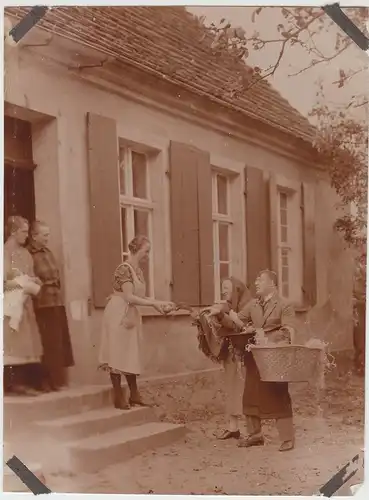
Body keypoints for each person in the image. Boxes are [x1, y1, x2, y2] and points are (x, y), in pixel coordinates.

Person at [213, 269, 296, 452]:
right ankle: (255, 435)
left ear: (272, 284)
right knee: (250, 393)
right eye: (256, 279)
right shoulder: (253, 305)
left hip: (275, 358)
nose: (256, 283)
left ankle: (287, 437)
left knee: (278, 395)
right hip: (254, 357)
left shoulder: (284, 305)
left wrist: (267, 337)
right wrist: (220, 314)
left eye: (261, 280)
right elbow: (235, 323)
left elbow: (288, 331)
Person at [99, 235, 175, 410]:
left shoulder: (138, 271)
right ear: (136, 250)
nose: (148, 255)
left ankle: (134, 395)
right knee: (117, 353)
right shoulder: (123, 269)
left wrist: (160, 306)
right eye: (146, 251)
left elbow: (139, 297)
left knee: (131, 353)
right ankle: (118, 397)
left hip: (131, 314)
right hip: (118, 313)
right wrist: (155, 303)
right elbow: (129, 297)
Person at [28, 220, 75, 392]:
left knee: (57, 343)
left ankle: (56, 381)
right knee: (46, 343)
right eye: (45, 235)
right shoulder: (29, 254)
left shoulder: (48, 252)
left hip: (56, 302)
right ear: (34, 236)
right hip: (42, 304)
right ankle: (45, 382)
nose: (48, 238)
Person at [3, 216, 43, 396]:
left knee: (27, 342)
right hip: (9, 304)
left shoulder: (26, 254)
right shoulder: (4, 253)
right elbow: (5, 281)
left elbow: (30, 274)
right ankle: (10, 383)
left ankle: (22, 382)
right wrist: (22, 283)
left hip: (25, 301)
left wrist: (33, 281)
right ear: (13, 232)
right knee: (11, 342)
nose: (26, 236)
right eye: (23, 232)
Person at [213, 277, 253, 440]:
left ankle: (253, 430)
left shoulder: (249, 306)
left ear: (236, 290)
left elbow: (236, 324)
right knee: (231, 388)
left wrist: (222, 315)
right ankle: (233, 427)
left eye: (226, 288)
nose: (223, 291)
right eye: (222, 287)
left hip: (245, 354)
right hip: (230, 353)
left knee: (245, 390)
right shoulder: (226, 306)